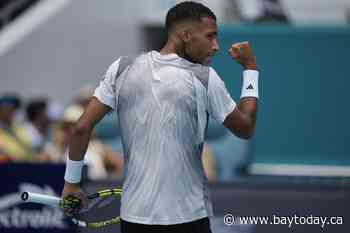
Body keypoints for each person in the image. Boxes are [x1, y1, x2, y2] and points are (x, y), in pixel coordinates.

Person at [61, 2, 259, 233]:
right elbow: (245, 127)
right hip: (189, 218)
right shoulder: (205, 77)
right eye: (210, 37)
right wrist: (250, 67)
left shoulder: (122, 68)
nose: (215, 46)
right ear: (186, 35)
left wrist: (72, 183)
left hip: (135, 219)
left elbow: (81, 128)